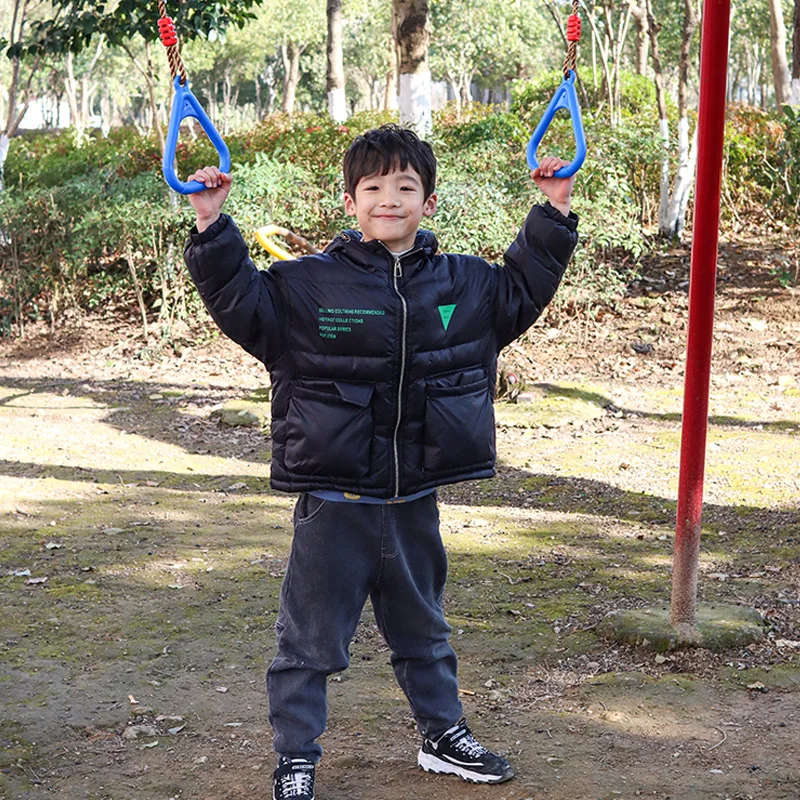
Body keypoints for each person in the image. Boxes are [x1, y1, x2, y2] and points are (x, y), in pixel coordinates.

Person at [183, 124, 578, 800]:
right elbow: (240, 302)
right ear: (349, 201)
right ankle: (296, 759)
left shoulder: (465, 284)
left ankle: (443, 736)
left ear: (428, 201)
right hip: (335, 505)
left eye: (405, 187)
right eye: (373, 188)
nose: (389, 199)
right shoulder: (306, 287)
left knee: (424, 631)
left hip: (413, 500)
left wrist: (554, 209)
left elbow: (522, 288)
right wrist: (211, 223)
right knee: (309, 645)